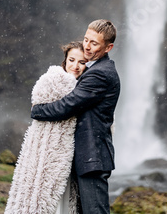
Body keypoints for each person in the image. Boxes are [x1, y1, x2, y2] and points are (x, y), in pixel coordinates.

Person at [31, 19, 120, 214]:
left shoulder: (100, 74)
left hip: (92, 157)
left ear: (108, 47)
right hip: (87, 156)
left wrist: (38, 111)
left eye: (94, 43)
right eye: (86, 39)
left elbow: (68, 105)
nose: (87, 47)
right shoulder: (95, 69)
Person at [5, 42, 87, 214]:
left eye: (82, 62)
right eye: (72, 60)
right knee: (40, 197)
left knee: (64, 199)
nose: (76, 66)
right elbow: (37, 109)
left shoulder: (87, 87)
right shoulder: (50, 80)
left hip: (72, 155)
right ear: (65, 60)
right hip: (46, 152)